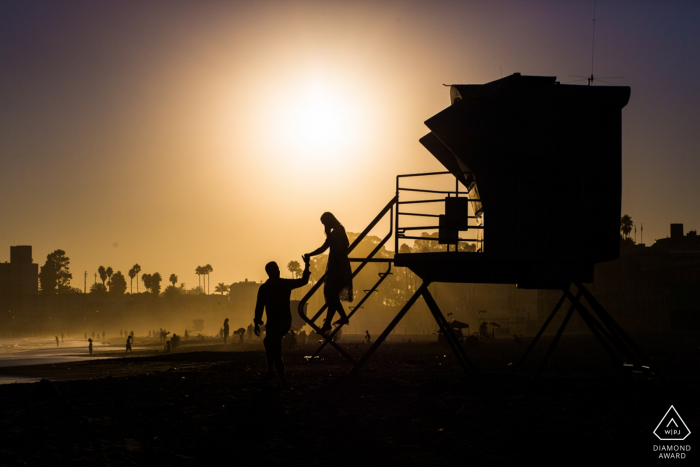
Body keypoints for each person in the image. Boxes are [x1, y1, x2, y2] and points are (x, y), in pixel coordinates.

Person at [254, 256, 310, 389]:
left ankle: (282, 380)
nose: (279, 271)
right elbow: (259, 307)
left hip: (282, 322)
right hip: (275, 322)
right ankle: (271, 373)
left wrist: (307, 266)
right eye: (276, 269)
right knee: (269, 343)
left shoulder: (273, 286)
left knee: (274, 346)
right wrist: (257, 322)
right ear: (270, 272)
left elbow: (303, 281)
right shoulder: (269, 287)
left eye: (278, 269)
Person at [304, 212, 353, 333]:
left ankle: (339, 319)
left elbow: (346, 244)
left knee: (330, 293)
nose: (325, 225)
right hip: (334, 266)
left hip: (340, 265)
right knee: (331, 294)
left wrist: (338, 256)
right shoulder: (332, 234)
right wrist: (310, 254)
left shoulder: (340, 229)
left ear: (330, 220)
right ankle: (329, 323)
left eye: (325, 223)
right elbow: (323, 248)